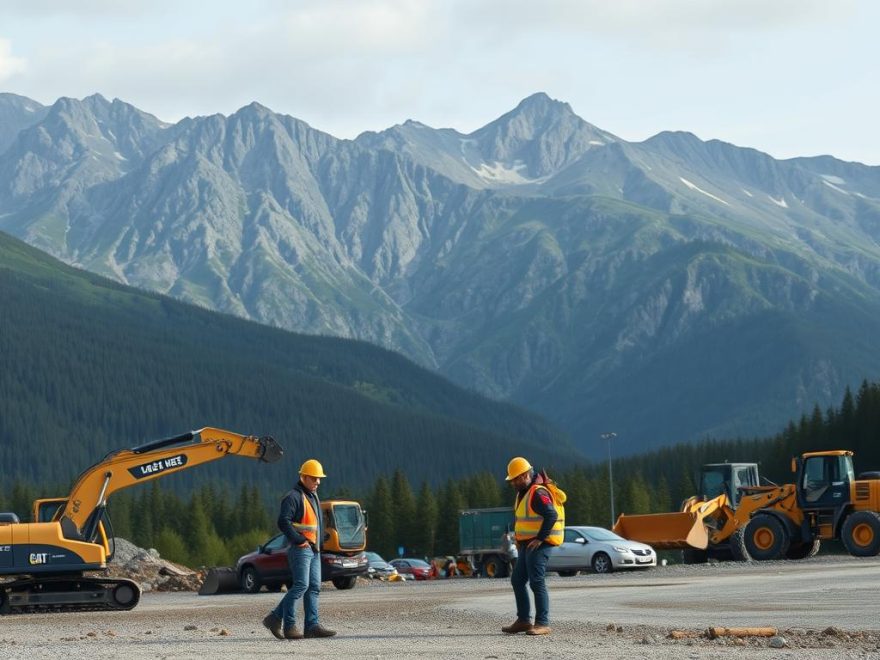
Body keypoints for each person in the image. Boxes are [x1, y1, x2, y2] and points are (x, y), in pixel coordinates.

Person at [262, 459, 337, 640]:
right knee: (301, 586)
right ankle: (282, 622)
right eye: (314, 478)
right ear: (303, 477)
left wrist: (320, 542)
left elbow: (312, 524)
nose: (318, 482)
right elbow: (283, 521)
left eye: (319, 479)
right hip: (301, 549)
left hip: (314, 550)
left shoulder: (312, 495)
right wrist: (298, 540)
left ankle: (310, 626)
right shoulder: (293, 496)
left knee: (313, 587)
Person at [501, 456, 565, 636]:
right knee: (518, 580)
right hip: (526, 545)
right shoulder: (523, 492)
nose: (512, 482)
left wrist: (540, 538)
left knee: (537, 581)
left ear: (524, 476)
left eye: (514, 479)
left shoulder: (538, 493)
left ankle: (542, 623)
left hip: (540, 544)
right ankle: (523, 621)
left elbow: (551, 515)